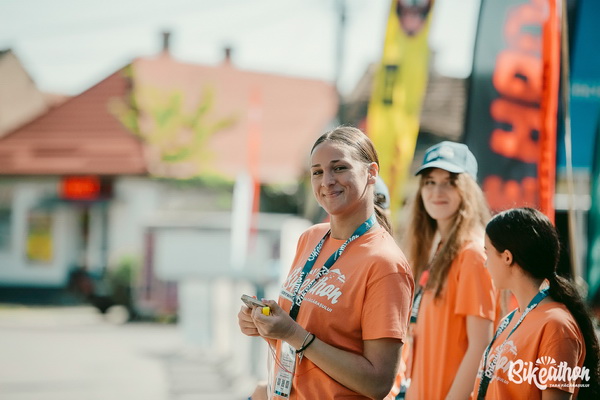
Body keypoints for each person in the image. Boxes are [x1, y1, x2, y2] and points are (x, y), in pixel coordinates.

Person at [238, 126, 414, 399]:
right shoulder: (310, 238)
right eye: (317, 172)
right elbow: (306, 326)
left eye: (339, 168)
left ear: (371, 173)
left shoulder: (385, 263)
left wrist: (295, 335)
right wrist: (265, 326)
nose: (327, 180)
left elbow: (378, 383)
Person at [471, 207, 600, 399]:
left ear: (507, 257)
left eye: (487, 253)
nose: (485, 263)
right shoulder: (510, 320)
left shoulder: (556, 326)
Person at [404, 141, 498, 400]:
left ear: (467, 189)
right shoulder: (440, 250)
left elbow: (480, 345)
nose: (437, 191)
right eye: (430, 182)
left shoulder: (473, 254)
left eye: (449, 182)